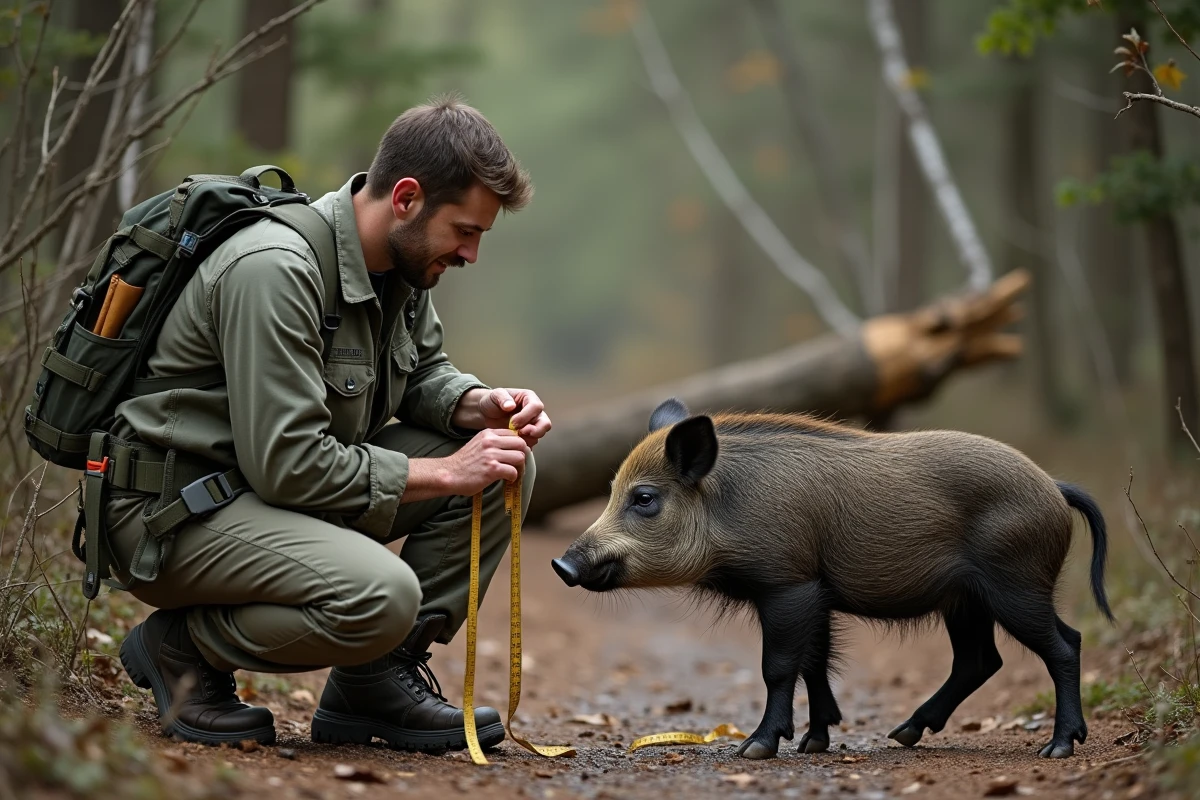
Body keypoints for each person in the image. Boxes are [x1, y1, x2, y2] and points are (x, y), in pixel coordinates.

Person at [103, 95, 548, 753]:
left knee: (505, 462)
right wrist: (446, 472)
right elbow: (288, 463)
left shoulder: (397, 270)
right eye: (465, 231)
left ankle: (374, 681)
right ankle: (180, 650)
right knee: (384, 596)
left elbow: (422, 374)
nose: (471, 254)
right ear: (405, 198)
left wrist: (476, 405)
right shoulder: (275, 270)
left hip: (261, 498)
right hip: (173, 516)